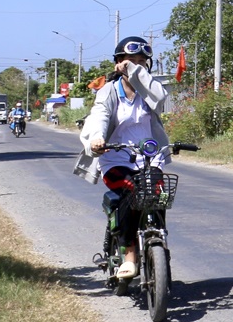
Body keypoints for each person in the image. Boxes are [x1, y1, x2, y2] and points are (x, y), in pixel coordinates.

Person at [72, 36, 168, 279]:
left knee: (156, 194)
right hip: (115, 158)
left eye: (141, 62)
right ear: (118, 62)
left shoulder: (150, 90)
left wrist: (136, 72)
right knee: (130, 190)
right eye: (129, 61)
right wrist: (97, 138)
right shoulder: (109, 91)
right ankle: (130, 255)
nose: (135, 66)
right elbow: (100, 115)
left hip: (148, 156)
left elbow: (162, 98)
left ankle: (158, 238)